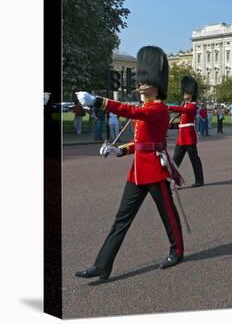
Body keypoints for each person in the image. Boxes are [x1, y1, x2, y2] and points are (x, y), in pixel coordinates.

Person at [74, 46, 184, 281]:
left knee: (168, 216)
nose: (141, 85)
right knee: (121, 219)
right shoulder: (146, 108)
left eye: (146, 81)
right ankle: (102, 265)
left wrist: (99, 101)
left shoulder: (158, 109)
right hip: (137, 172)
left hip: (155, 170)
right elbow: (141, 143)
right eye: (141, 81)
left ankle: (177, 251)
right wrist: (119, 150)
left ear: (156, 85)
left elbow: (130, 111)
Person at [168, 76, 205, 188]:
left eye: (186, 93)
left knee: (194, 159)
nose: (184, 95)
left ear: (191, 94)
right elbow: (181, 122)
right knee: (175, 160)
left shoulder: (192, 106)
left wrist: (169, 107)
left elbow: (184, 111)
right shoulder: (184, 105)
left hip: (189, 136)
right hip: (181, 137)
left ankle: (199, 180)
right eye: (184, 93)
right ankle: (174, 180)